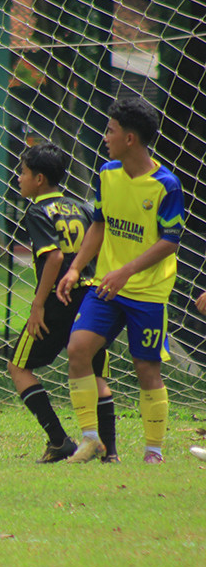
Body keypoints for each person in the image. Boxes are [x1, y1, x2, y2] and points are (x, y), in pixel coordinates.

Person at [55, 97, 185, 464]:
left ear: (130, 138)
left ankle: (154, 451)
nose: (105, 136)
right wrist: (77, 268)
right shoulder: (107, 173)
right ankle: (90, 439)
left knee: (146, 367)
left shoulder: (166, 185)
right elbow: (99, 224)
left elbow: (169, 242)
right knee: (78, 349)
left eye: (110, 130)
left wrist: (126, 270)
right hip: (106, 287)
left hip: (147, 292)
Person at [7, 143, 117, 463]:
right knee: (94, 374)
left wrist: (38, 305)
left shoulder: (38, 211)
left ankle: (58, 439)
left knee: (18, 365)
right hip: (91, 299)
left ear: (39, 179)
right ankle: (109, 452)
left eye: (23, 172)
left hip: (59, 300)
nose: (19, 178)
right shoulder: (81, 207)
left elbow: (54, 257)